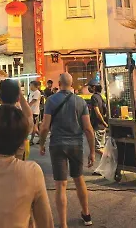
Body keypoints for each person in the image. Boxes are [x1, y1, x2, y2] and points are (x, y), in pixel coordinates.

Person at [39, 72, 96, 228]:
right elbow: (88, 129)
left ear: (59, 83)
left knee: (60, 185)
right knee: (79, 179)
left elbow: (44, 127)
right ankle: (86, 215)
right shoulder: (80, 102)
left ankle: (63, 224)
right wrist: (92, 151)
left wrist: (42, 144)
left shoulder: (51, 101)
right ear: (72, 84)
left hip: (57, 144)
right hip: (76, 145)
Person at [88, 79, 108, 157]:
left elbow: (97, 112)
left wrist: (103, 122)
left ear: (94, 87)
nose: (88, 88)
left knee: (97, 148)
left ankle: (109, 157)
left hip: (97, 126)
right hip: (101, 126)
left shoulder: (94, 97)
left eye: (89, 87)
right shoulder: (100, 96)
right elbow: (104, 111)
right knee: (101, 147)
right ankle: (104, 163)